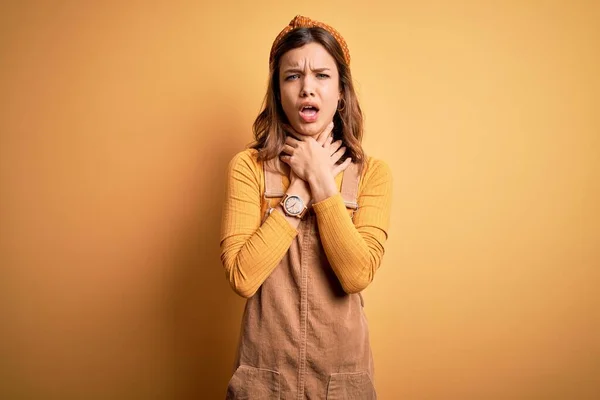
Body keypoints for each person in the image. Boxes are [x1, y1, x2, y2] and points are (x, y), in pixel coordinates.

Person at [220, 15, 392, 399]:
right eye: (292, 76)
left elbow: (356, 275)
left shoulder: (373, 175)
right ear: (278, 92)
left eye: (322, 75)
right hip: (264, 382)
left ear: (342, 91)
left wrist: (323, 183)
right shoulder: (246, 168)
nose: (307, 88)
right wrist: (300, 188)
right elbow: (243, 277)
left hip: (342, 383)